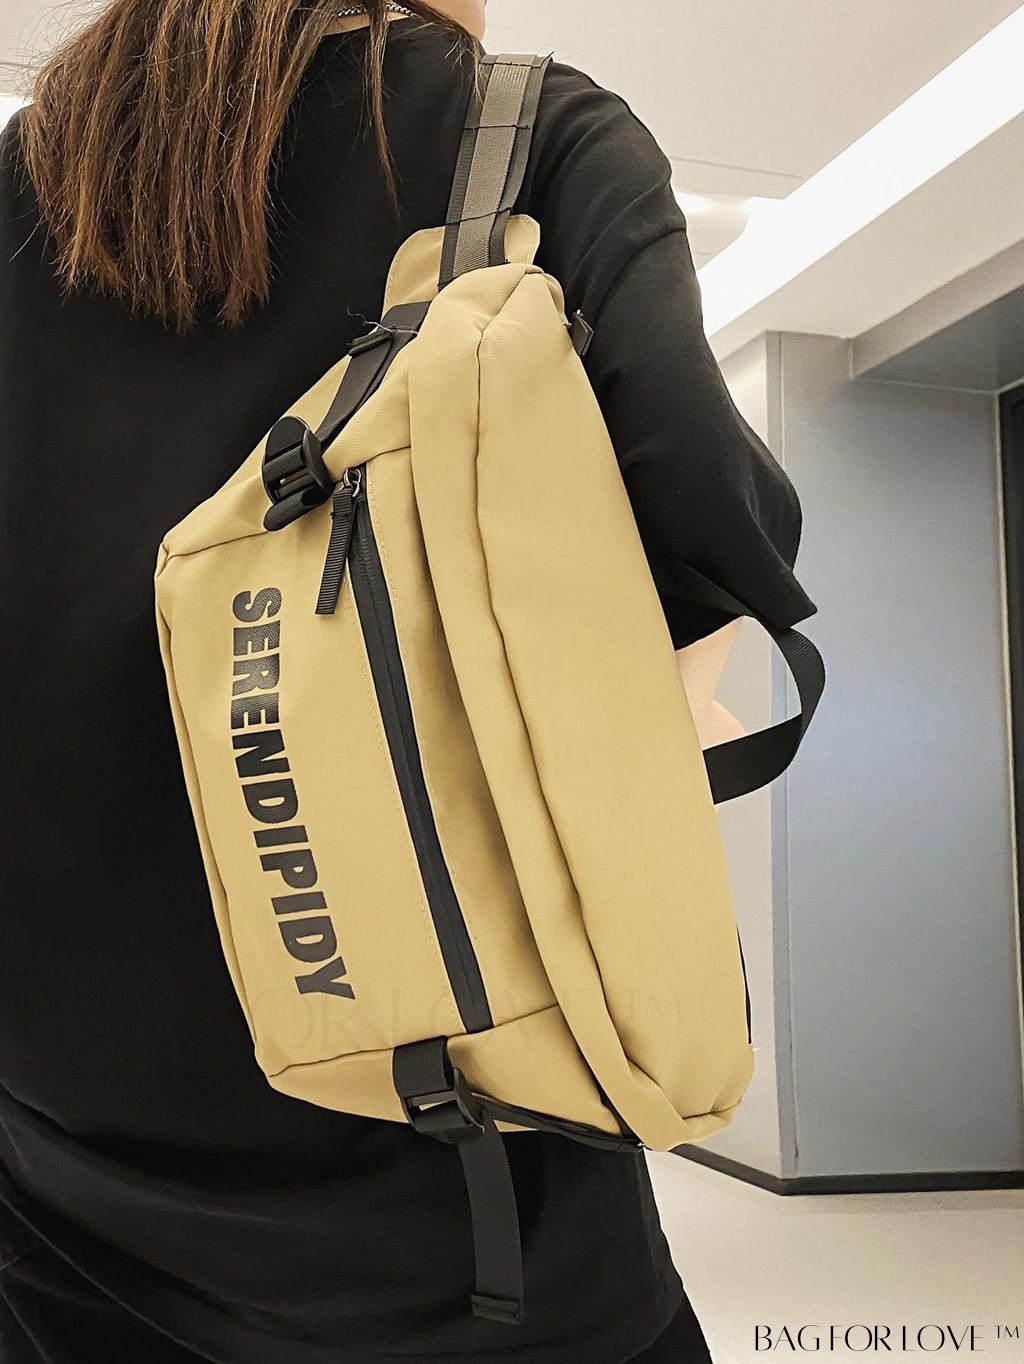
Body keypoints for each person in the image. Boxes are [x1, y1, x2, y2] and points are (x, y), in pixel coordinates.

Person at [0, 2, 817, 1360]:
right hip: (463, 1169)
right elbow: (720, 538)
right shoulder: (518, 134)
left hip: (60, 1171)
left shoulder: (30, 179)